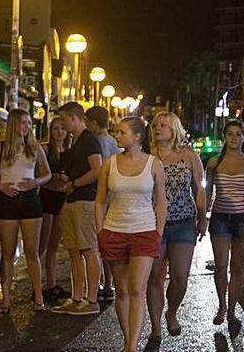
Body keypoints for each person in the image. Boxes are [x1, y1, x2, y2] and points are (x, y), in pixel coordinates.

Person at [95, 117, 167, 352]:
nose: (117, 136)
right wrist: (101, 230)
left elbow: (161, 202)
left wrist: (158, 232)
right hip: (114, 230)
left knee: (137, 289)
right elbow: (100, 201)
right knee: (122, 290)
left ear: (137, 137)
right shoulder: (109, 163)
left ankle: (132, 346)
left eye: (122, 132)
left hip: (144, 231)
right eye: (117, 132)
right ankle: (128, 340)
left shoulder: (153, 164)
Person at [147, 112, 208, 341]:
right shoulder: (147, 157)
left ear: (174, 129)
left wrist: (202, 217)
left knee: (180, 277)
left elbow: (200, 188)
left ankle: (171, 312)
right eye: (154, 125)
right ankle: (155, 327)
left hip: (183, 222)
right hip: (153, 224)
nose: (157, 128)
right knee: (154, 277)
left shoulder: (188, 155)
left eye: (163, 125)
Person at [0, 109, 52, 312]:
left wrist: (35, 182)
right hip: (7, 199)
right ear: (14, 124)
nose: (27, 127)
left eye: (29, 123)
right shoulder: (1, 147)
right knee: (7, 253)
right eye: (23, 123)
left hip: (30, 199)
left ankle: (39, 297)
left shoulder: (35, 147)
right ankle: (6, 299)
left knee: (32, 252)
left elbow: (47, 173)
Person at [52, 102, 103, 316]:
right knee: (74, 251)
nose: (62, 125)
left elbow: (97, 169)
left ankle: (91, 299)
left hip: (84, 200)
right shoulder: (76, 142)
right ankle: (77, 296)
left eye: (64, 120)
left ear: (74, 117)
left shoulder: (89, 140)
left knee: (88, 249)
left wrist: (76, 183)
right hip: (72, 200)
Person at [206, 120, 244, 324]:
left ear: (243, 137)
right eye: (230, 134)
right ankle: (222, 305)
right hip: (220, 217)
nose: (234, 138)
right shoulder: (215, 161)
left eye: (238, 134)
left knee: (238, 266)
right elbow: (207, 192)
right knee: (220, 265)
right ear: (225, 137)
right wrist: (202, 214)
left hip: (243, 218)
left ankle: (232, 308)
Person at [86, 106, 120, 303]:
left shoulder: (97, 141)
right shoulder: (114, 142)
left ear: (93, 123)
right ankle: (108, 283)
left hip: (101, 196)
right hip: (112, 197)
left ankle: (103, 284)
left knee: (100, 242)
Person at [40, 116, 71, 301]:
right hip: (47, 196)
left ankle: (51, 283)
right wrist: (56, 176)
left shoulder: (70, 151)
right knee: (42, 243)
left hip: (62, 197)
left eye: (62, 128)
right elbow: (41, 174)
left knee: (54, 243)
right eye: (55, 129)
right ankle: (40, 283)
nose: (59, 132)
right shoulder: (45, 149)